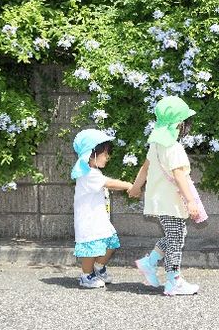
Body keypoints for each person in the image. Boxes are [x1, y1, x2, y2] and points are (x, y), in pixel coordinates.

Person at [128, 96, 200, 296]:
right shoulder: (174, 148)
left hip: (160, 202)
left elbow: (145, 168)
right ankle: (173, 280)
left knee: (176, 235)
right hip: (172, 203)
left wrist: (136, 188)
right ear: (179, 124)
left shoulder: (156, 145)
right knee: (176, 240)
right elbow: (179, 176)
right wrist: (191, 201)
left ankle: (149, 262)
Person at [71, 129, 133, 288]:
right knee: (90, 248)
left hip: (98, 218)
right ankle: (86, 275)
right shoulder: (87, 173)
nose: (108, 157)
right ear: (92, 154)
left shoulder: (93, 171)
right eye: (105, 154)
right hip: (89, 220)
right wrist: (128, 185)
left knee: (111, 243)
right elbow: (109, 183)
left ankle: (98, 267)